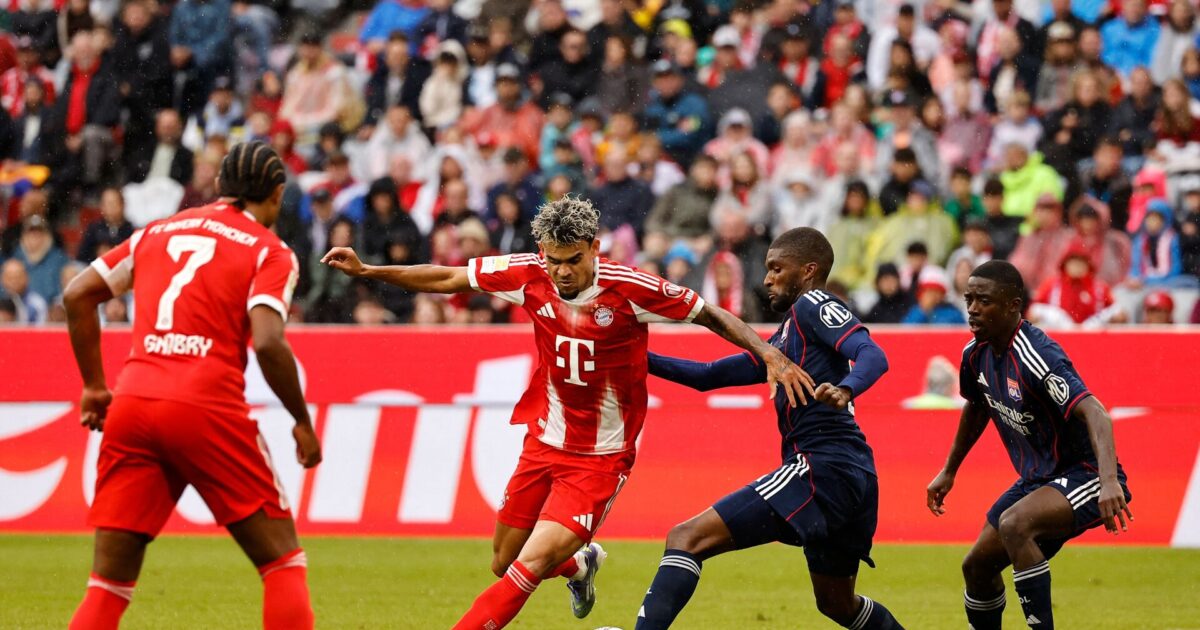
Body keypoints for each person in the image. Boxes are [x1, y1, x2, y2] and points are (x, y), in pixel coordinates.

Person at [320, 196, 810, 630]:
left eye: (574, 260)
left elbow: (711, 313)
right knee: (503, 558)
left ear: (595, 248)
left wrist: (769, 353)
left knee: (526, 567)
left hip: (599, 459)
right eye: (554, 262)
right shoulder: (530, 272)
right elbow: (450, 276)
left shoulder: (631, 287)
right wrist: (369, 272)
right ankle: (580, 566)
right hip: (544, 440)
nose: (563, 272)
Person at [61, 142, 321, 629]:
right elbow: (267, 343)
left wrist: (95, 387)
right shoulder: (270, 251)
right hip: (206, 405)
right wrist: (302, 422)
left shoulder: (155, 233)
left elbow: (77, 295)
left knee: (108, 585)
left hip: (134, 402)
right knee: (282, 562)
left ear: (220, 186)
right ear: (277, 194)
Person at [632, 227, 901, 630]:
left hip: (822, 467)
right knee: (837, 604)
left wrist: (846, 389)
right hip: (853, 475)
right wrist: (634, 356)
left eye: (777, 268)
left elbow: (872, 354)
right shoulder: (788, 335)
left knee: (686, 538)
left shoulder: (814, 303)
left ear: (808, 270)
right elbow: (707, 375)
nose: (766, 279)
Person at [927, 260, 1132, 630]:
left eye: (984, 300)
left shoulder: (1037, 354)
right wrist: (950, 470)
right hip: (1038, 479)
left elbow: (1096, 412)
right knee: (976, 566)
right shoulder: (974, 354)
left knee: (1015, 523)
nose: (972, 308)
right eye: (969, 298)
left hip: (1082, 473)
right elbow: (977, 407)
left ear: (1012, 305)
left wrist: (1108, 482)